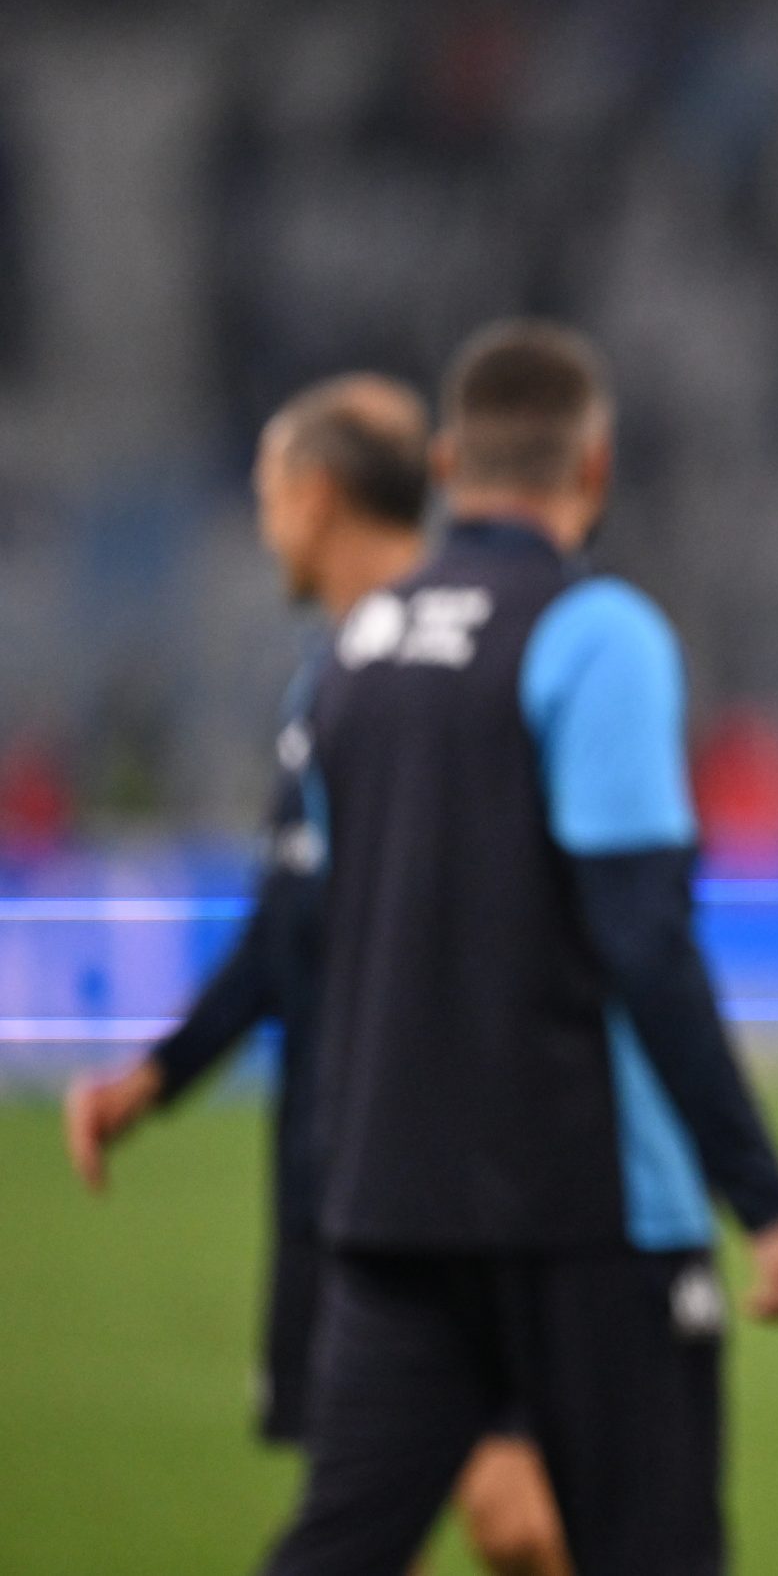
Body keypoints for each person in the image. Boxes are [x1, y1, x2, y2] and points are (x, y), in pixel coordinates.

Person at [261, 321, 778, 1576]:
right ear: (595, 467)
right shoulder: (597, 634)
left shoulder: (350, 652)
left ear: (447, 463)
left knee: (336, 1554)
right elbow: (642, 936)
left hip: (392, 1208)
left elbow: (314, 942)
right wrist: (763, 1198)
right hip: (586, 1211)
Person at [61, 374, 574, 1576]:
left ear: (316, 494)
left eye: (268, 492)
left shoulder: (440, 672)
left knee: (494, 1516)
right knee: (428, 1518)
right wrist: (156, 1078)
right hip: (343, 1163)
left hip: (436, 1175)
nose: (263, 524)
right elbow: (288, 923)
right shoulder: (333, 679)